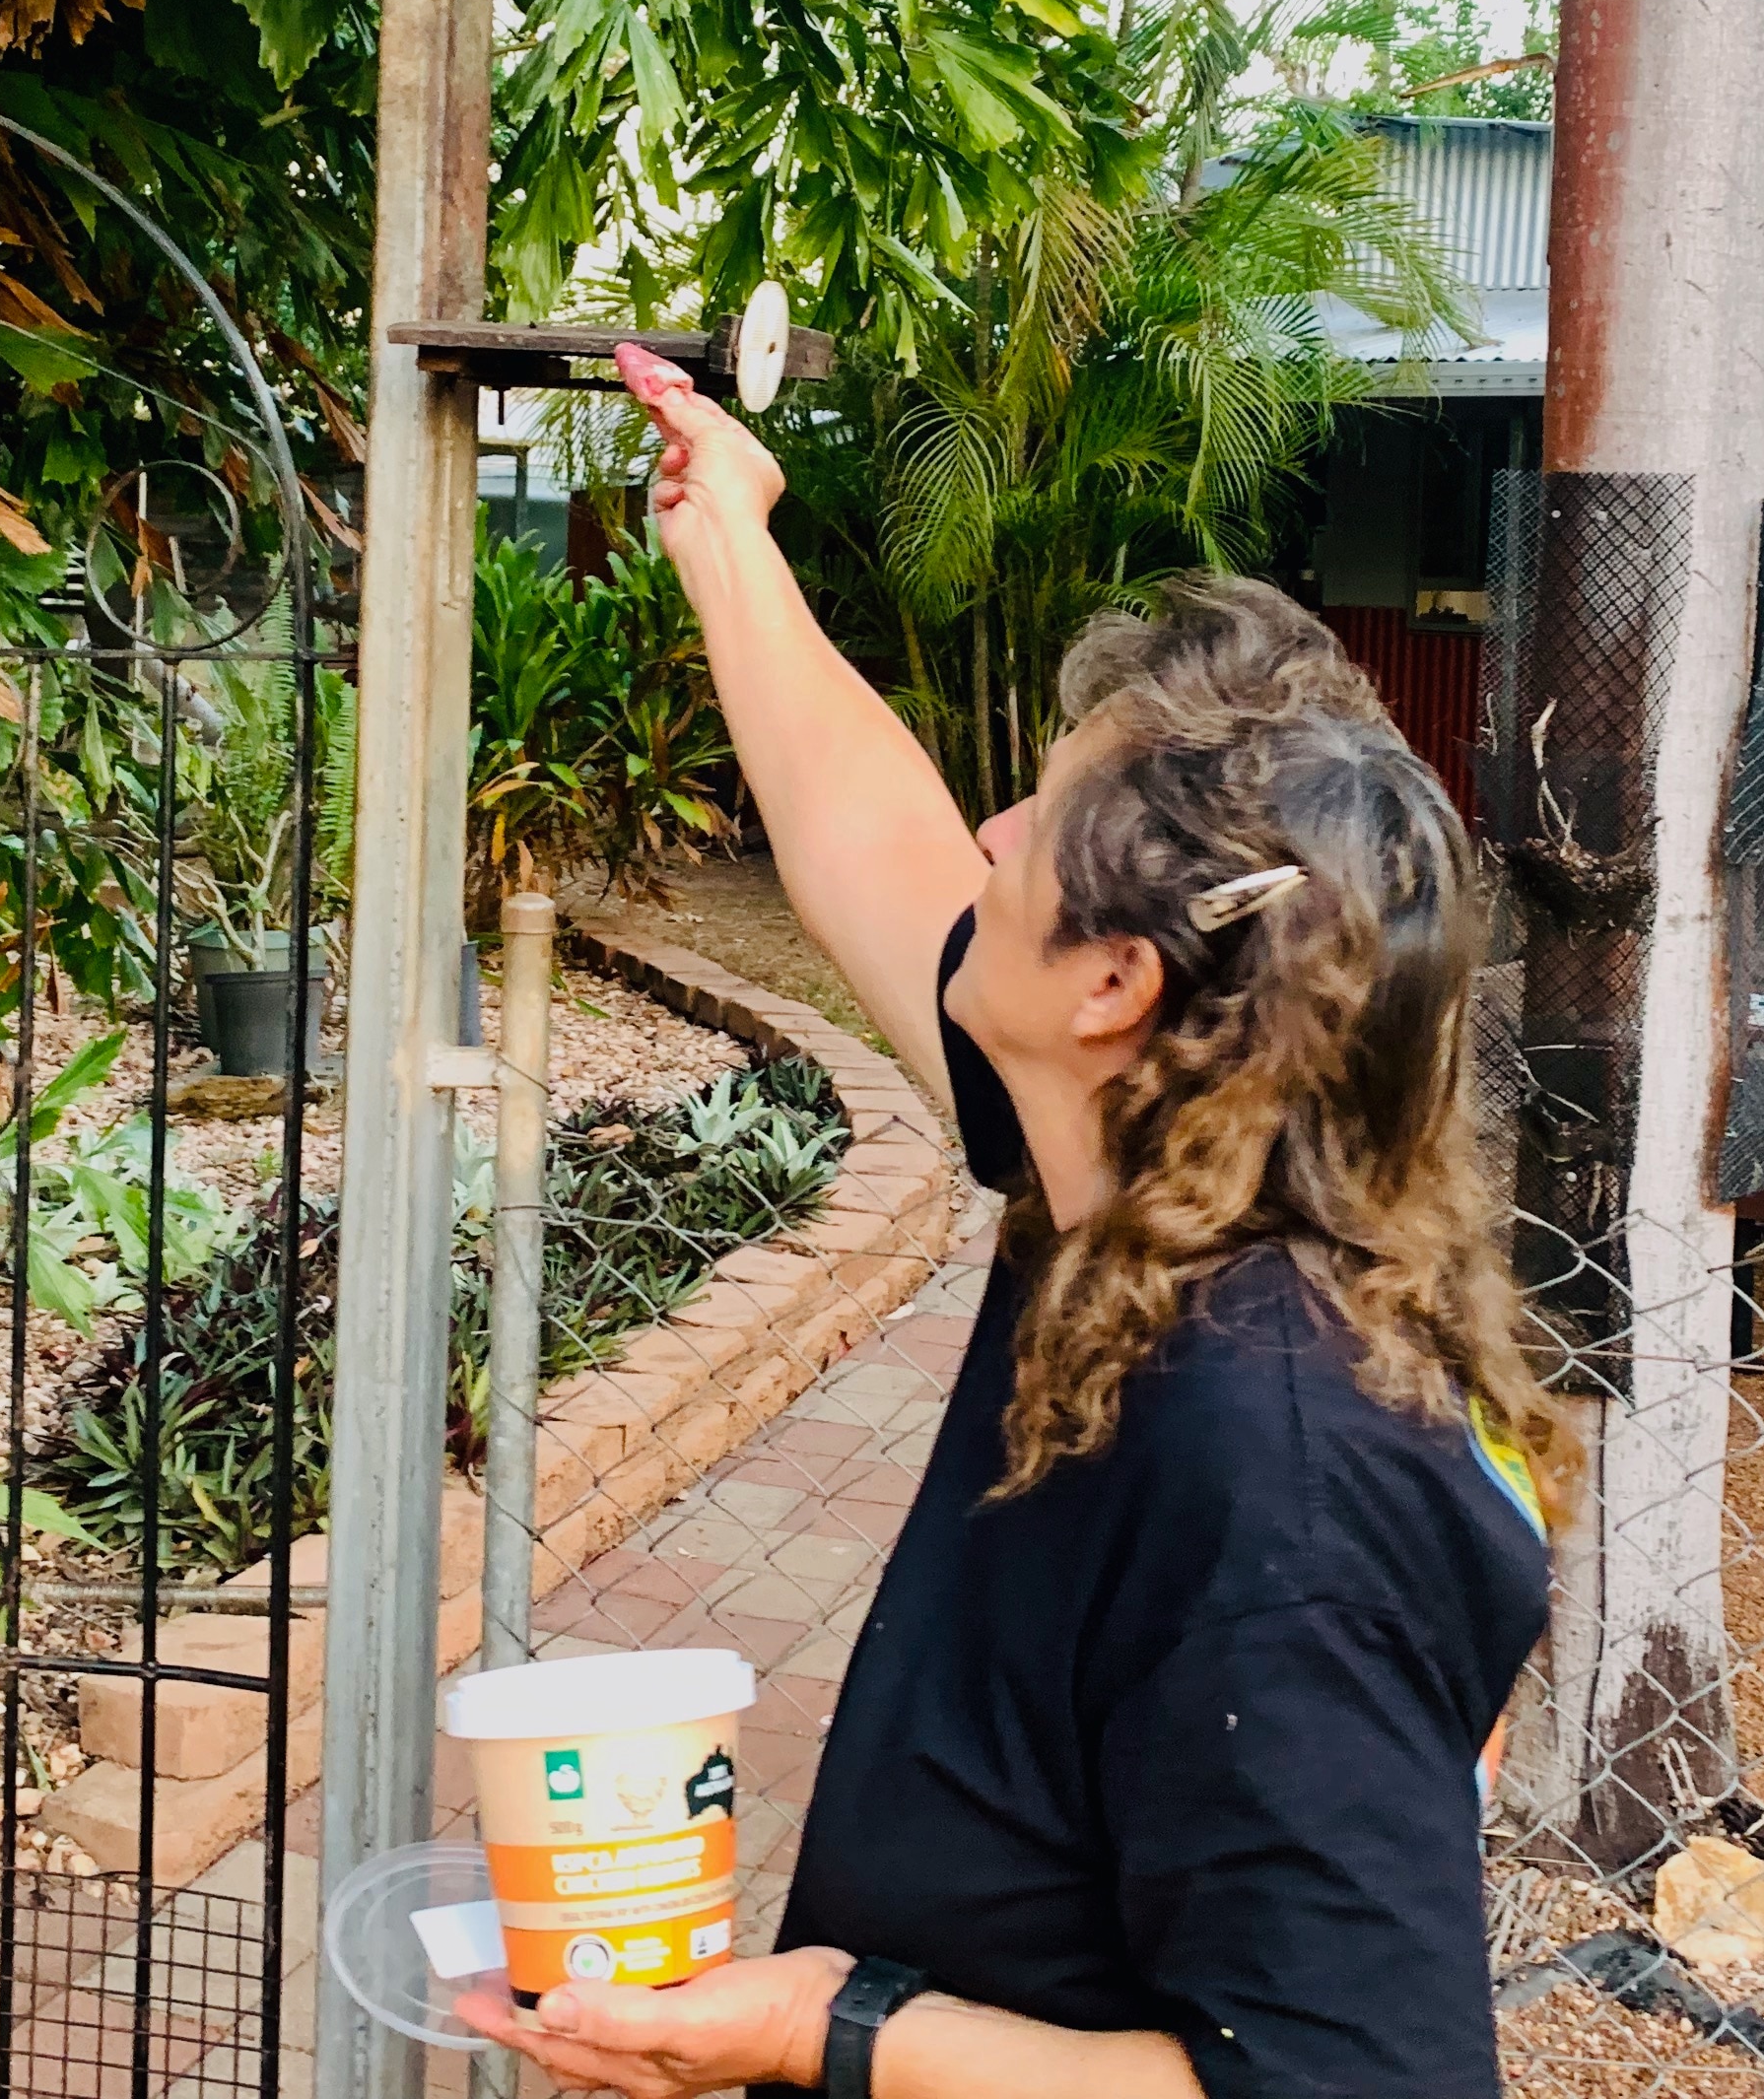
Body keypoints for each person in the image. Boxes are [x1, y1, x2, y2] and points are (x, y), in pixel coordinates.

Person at [456, 346, 1564, 2099]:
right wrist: (727, 536)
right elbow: (878, 847)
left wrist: (830, 2033)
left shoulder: (1283, 1470)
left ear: (1116, 984)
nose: (985, 832)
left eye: (1031, 825)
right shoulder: (1137, 1198)